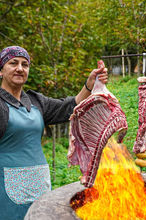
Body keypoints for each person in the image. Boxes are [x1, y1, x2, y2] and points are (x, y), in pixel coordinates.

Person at [0, 46, 108, 219]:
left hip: (38, 182)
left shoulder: (36, 101)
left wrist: (89, 85)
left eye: (24, 64)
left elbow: (70, 106)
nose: (20, 68)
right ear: (1, 71)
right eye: (13, 63)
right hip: (5, 187)